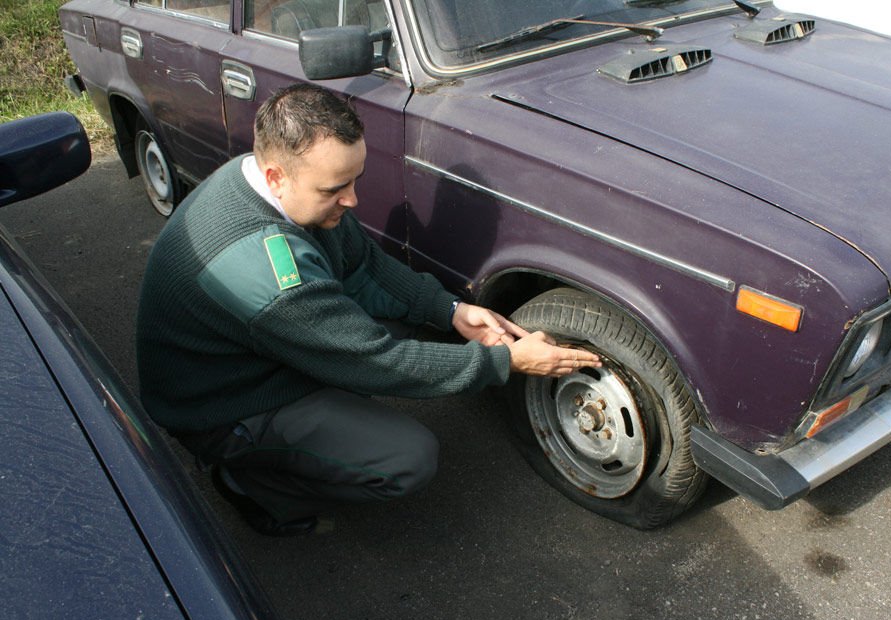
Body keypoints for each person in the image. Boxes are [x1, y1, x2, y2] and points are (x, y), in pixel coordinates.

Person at [135, 83, 600, 537]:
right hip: (225, 404)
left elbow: (363, 265)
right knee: (408, 458)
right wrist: (506, 362)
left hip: (258, 349)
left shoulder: (273, 179)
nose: (352, 200)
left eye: (355, 179)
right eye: (336, 188)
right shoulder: (265, 270)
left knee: (418, 330)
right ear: (277, 175)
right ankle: (253, 483)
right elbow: (372, 361)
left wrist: (449, 309)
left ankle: (311, 421)